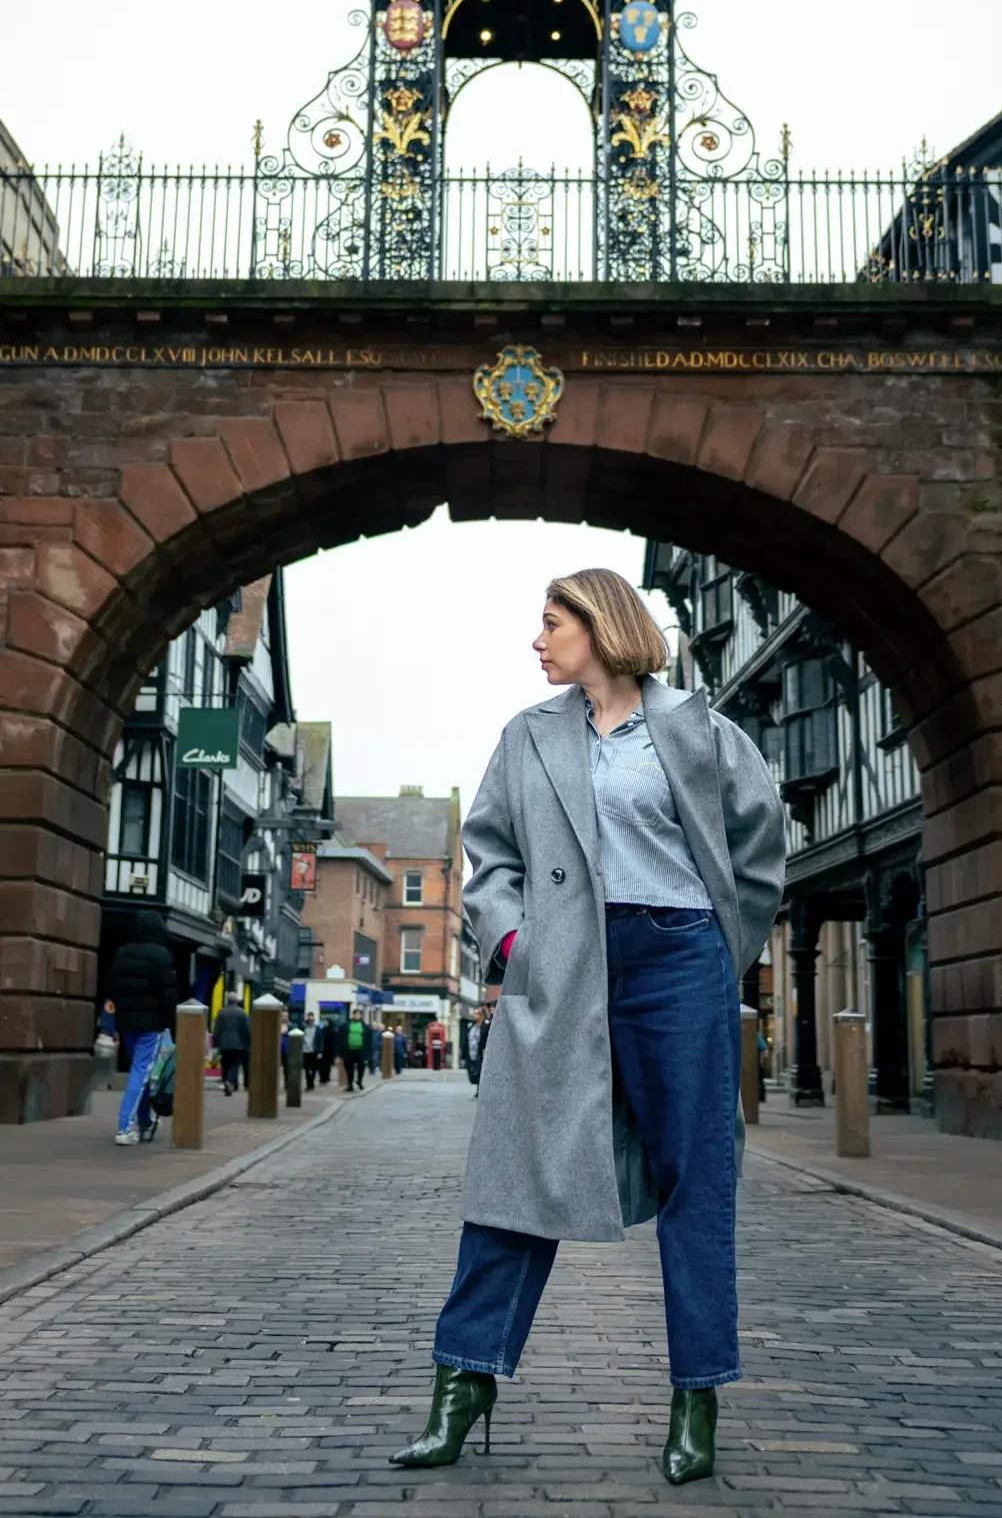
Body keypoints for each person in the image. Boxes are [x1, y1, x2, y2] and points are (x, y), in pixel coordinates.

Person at [391, 569, 785, 1487]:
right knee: (519, 1167)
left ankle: (697, 1397)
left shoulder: (697, 729)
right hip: (563, 964)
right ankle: (463, 1384)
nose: (537, 642)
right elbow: (488, 853)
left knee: (698, 1178)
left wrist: (722, 948)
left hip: (677, 958)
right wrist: (519, 941)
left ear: (601, 627)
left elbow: (759, 844)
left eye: (551, 623)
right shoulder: (526, 738)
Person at [106, 911, 180, 1145]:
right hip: (151, 1024)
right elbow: (168, 997)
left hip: (127, 1023)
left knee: (142, 1071)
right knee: (141, 1071)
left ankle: (144, 1121)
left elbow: (112, 987)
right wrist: (175, 1029)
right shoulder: (161, 956)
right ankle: (124, 1127)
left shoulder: (122, 953)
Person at [212, 993, 250, 1096]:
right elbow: (246, 1029)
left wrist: (215, 1043)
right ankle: (230, 1081)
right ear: (236, 1001)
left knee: (225, 1064)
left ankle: (227, 1083)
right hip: (238, 1043)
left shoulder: (221, 1012)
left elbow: (217, 1029)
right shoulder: (242, 1013)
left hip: (224, 1043)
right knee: (234, 1064)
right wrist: (249, 1042)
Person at [344, 1010, 367, 1091]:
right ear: (352, 1015)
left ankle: (359, 1081)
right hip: (349, 1050)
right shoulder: (347, 1024)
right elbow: (341, 1037)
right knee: (349, 1068)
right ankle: (350, 1085)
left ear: (360, 1016)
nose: (356, 1016)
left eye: (358, 1014)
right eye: (355, 1014)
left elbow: (368, 1039)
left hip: (360, 1050)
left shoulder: (364, 1025)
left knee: (361, 1067)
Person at [465, 1008, 484, 1095]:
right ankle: (478, 1087)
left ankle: (479, 1090)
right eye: (474, 1013)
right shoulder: (472, 1025)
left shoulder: (483, 1025)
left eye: (476, 1013)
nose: (474, 1015)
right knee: (472, 1072)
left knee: (479, 1072)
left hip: (479, 1054)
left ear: (481, 1015)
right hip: (471, 1053)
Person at [302, 1011, 322, 1091]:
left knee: (313, 1068)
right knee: (306, 1069)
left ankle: (312, 1082)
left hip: (314, 1051)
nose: (310, 1018)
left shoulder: (317, 1028)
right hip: (305, 1051)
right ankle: (308, 1084)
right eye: (309, 1017)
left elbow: (320, 1040)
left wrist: (320, 1051)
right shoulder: (303, 1027)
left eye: (311, 1017)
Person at [319, 1016, 336, 1086]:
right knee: (321, 1066)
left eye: (326, 1022)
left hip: (329, 1051)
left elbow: (334, 1042)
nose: (325, 1023)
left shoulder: (332, 1032)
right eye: (324, 1022)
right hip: (322, 1050)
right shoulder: (321, 1031)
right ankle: (322, 1078)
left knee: (327, 1066)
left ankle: (326, 1078)